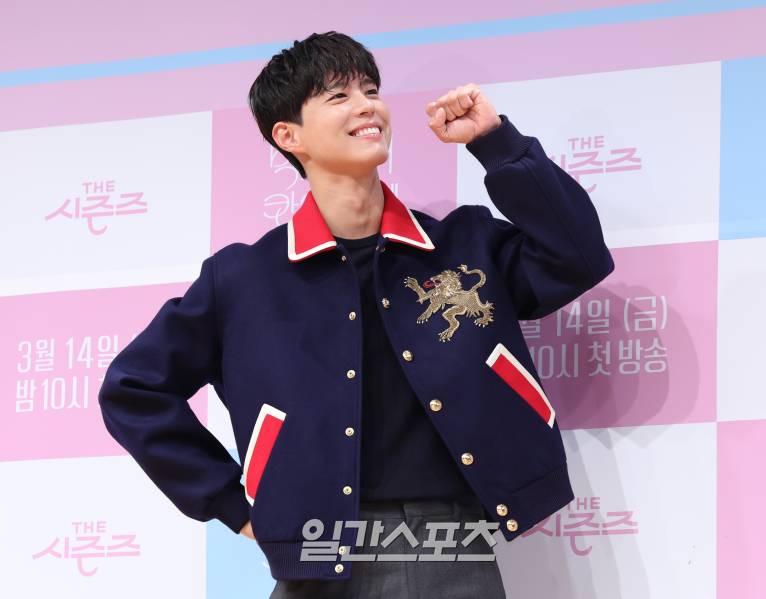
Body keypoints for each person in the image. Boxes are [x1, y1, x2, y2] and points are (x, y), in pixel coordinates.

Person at [99, 30, 615, 598]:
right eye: (338, 96)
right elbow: (134, 389)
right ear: (288, 135)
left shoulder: (462, 244)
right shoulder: (243, 279)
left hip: (450, 543)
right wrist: (229, 502)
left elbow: (577, 257)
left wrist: (496, 143)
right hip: (317, 557)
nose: (367, 105)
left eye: (371, 90)